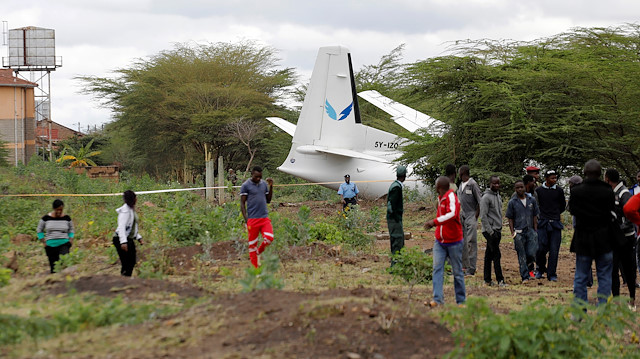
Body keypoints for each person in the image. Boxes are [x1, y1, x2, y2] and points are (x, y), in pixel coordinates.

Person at [569, 159, 616, 305]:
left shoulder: (576, 191)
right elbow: (611, 212)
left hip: (583, 238)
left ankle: (579, 311)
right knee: (604, 276)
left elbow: (573, 210)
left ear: (584, 173)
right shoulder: (607, 191)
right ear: (600, 173)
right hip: (604, 238)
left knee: (581, 276)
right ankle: (603, 311)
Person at [424, 176, 465, 306]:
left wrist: (434, 222)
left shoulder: (451, 197)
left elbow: (452, 214)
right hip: (440, 241)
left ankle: (461, 301)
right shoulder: (440, 198)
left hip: (454, 241)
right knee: (437, 268)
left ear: (439, 187)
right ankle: (437, 299)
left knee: (457, 272)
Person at [605, 168, 636, 306]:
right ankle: (616, 300)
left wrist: (618, 230)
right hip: (614, 239)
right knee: (613, 270)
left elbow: (630, 215)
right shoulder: (612, 193)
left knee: (628, 269)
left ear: (607, 179)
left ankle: (632, 299)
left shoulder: (624, 193)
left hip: (626, 239)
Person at [240, 166, 275, 268]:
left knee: (269, 238)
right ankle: (255, 270)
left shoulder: (264, 184)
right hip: (252, 219)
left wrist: (271, 186)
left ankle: (259, 252)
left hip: (264, 218)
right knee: (252, 246)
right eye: (256, 177)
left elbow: (268, 200)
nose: (258, 179)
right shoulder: (246, 185)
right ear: (252, 175)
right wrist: (246, 220)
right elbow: (242, 204)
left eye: (260, 177)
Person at [534, 170, 566, 281]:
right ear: (546, 179)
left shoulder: (559, 191)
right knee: (541, 248)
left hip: (555, 223)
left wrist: (555, 214)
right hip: (542, 223)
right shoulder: (538, 191)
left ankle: (552, 274)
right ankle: (540, 269)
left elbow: (563, 206)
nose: (554, 180)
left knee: (554, 250)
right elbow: (536, 205)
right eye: (552, 178)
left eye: (555, 178)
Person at [506, 181, 539, 283]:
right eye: (517, 188)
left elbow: (535, 215)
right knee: (521, 255)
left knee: (531, 252)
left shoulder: (532, 200)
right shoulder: (512, 202)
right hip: (519, 232)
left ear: (525, 187)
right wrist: (513, 233)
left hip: (530, 231)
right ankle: (525, 276)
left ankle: (530, 267)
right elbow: (510, 218)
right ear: (515, 189)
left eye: (521, 187)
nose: (520, 189)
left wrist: (535, 229)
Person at [480, 175, 506, 287]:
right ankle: (501, 280)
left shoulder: (498, 196)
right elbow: (483, 216)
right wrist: (490, 232)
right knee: (497, 255)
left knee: (488, 256)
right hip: (490, 231)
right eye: (494, 183)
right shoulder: (486, 197)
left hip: (497, 229)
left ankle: (487, 280)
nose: (496, 185)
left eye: (498, 183)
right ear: (490, 184)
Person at [457, 165, 482, 276]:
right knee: (463, 241)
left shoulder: (473, 184)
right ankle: (464, 266)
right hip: (462, 215)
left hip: (471, 215)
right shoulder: (460, 185)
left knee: (471, 241)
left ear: (462, 172)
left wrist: (476, 215)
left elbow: (480, 201)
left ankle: (471, 268)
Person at [37, 199, 74, 273]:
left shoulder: (67, 218)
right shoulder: (46, 218)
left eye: (61, 210)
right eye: (57, 210)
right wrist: (43, 242)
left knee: (64, 262)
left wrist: (71, 239)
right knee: (54, 268)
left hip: (64, 243)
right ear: (54, 209)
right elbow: (39, 230)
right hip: (50, 245)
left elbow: (71, 229)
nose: (59, 212)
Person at [114, 190, 143, 277]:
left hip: (128, 238)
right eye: (135, 197)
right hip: (121, 239)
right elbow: (122, 227)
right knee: (127, 263)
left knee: (131, 261)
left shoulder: (131, 209)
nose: (136, 199)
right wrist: (123, 242)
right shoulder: (125, 211)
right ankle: (124, 280)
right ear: (133, 199)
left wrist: (138, 237)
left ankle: (125, 279)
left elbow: (131, 227)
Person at [387, 166, 406, 263]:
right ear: (404, 176)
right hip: (394, 219)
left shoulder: (394, 185)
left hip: (394, 219)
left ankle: (398, 261)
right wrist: (396, 218)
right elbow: (392, 206)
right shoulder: (396, 188)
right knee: (397, 240)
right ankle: (395, 264)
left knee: (398, 239)